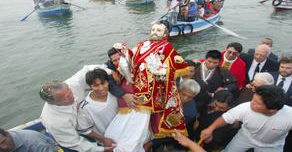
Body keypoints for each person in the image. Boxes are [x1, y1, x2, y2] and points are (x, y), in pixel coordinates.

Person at [104, 22, 189, 151]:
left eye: (159, 30)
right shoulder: (141, 44)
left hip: (154, 92)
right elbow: (130, 57)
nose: (155, 32)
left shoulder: (167, 47)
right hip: (136, 87)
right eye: (153, 29)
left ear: (165, 34)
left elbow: (178, 66)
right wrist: (123, 51)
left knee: (144, 124)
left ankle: (138, 146)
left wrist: (161, 69)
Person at [201, 85, 292, 152]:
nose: (251, 103)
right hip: (245, 137)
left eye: (257, 103)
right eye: (253, 99)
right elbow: (226, 118)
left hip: (272, 145)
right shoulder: (245, 107)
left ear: (273, 110)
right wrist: (210, 129)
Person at [40, 65, 122, 152]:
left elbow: (87, 69)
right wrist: (101, 148)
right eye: (65, 98)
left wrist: (110, 72)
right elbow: (75, 143)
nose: (73, 97)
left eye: (70, 92)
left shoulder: (72, 84)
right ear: (54, 103)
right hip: (67, 136)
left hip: (84, 123)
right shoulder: (55, 122)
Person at [77, 69, 118, 147]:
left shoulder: (114, 92)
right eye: (96, 85)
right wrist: (103, 139)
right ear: (90, 86)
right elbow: (84, 130)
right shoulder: (84, 108)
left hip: (125, 129)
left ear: (108, 81)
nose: (101, 88)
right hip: (110, 140)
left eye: (103, 83)